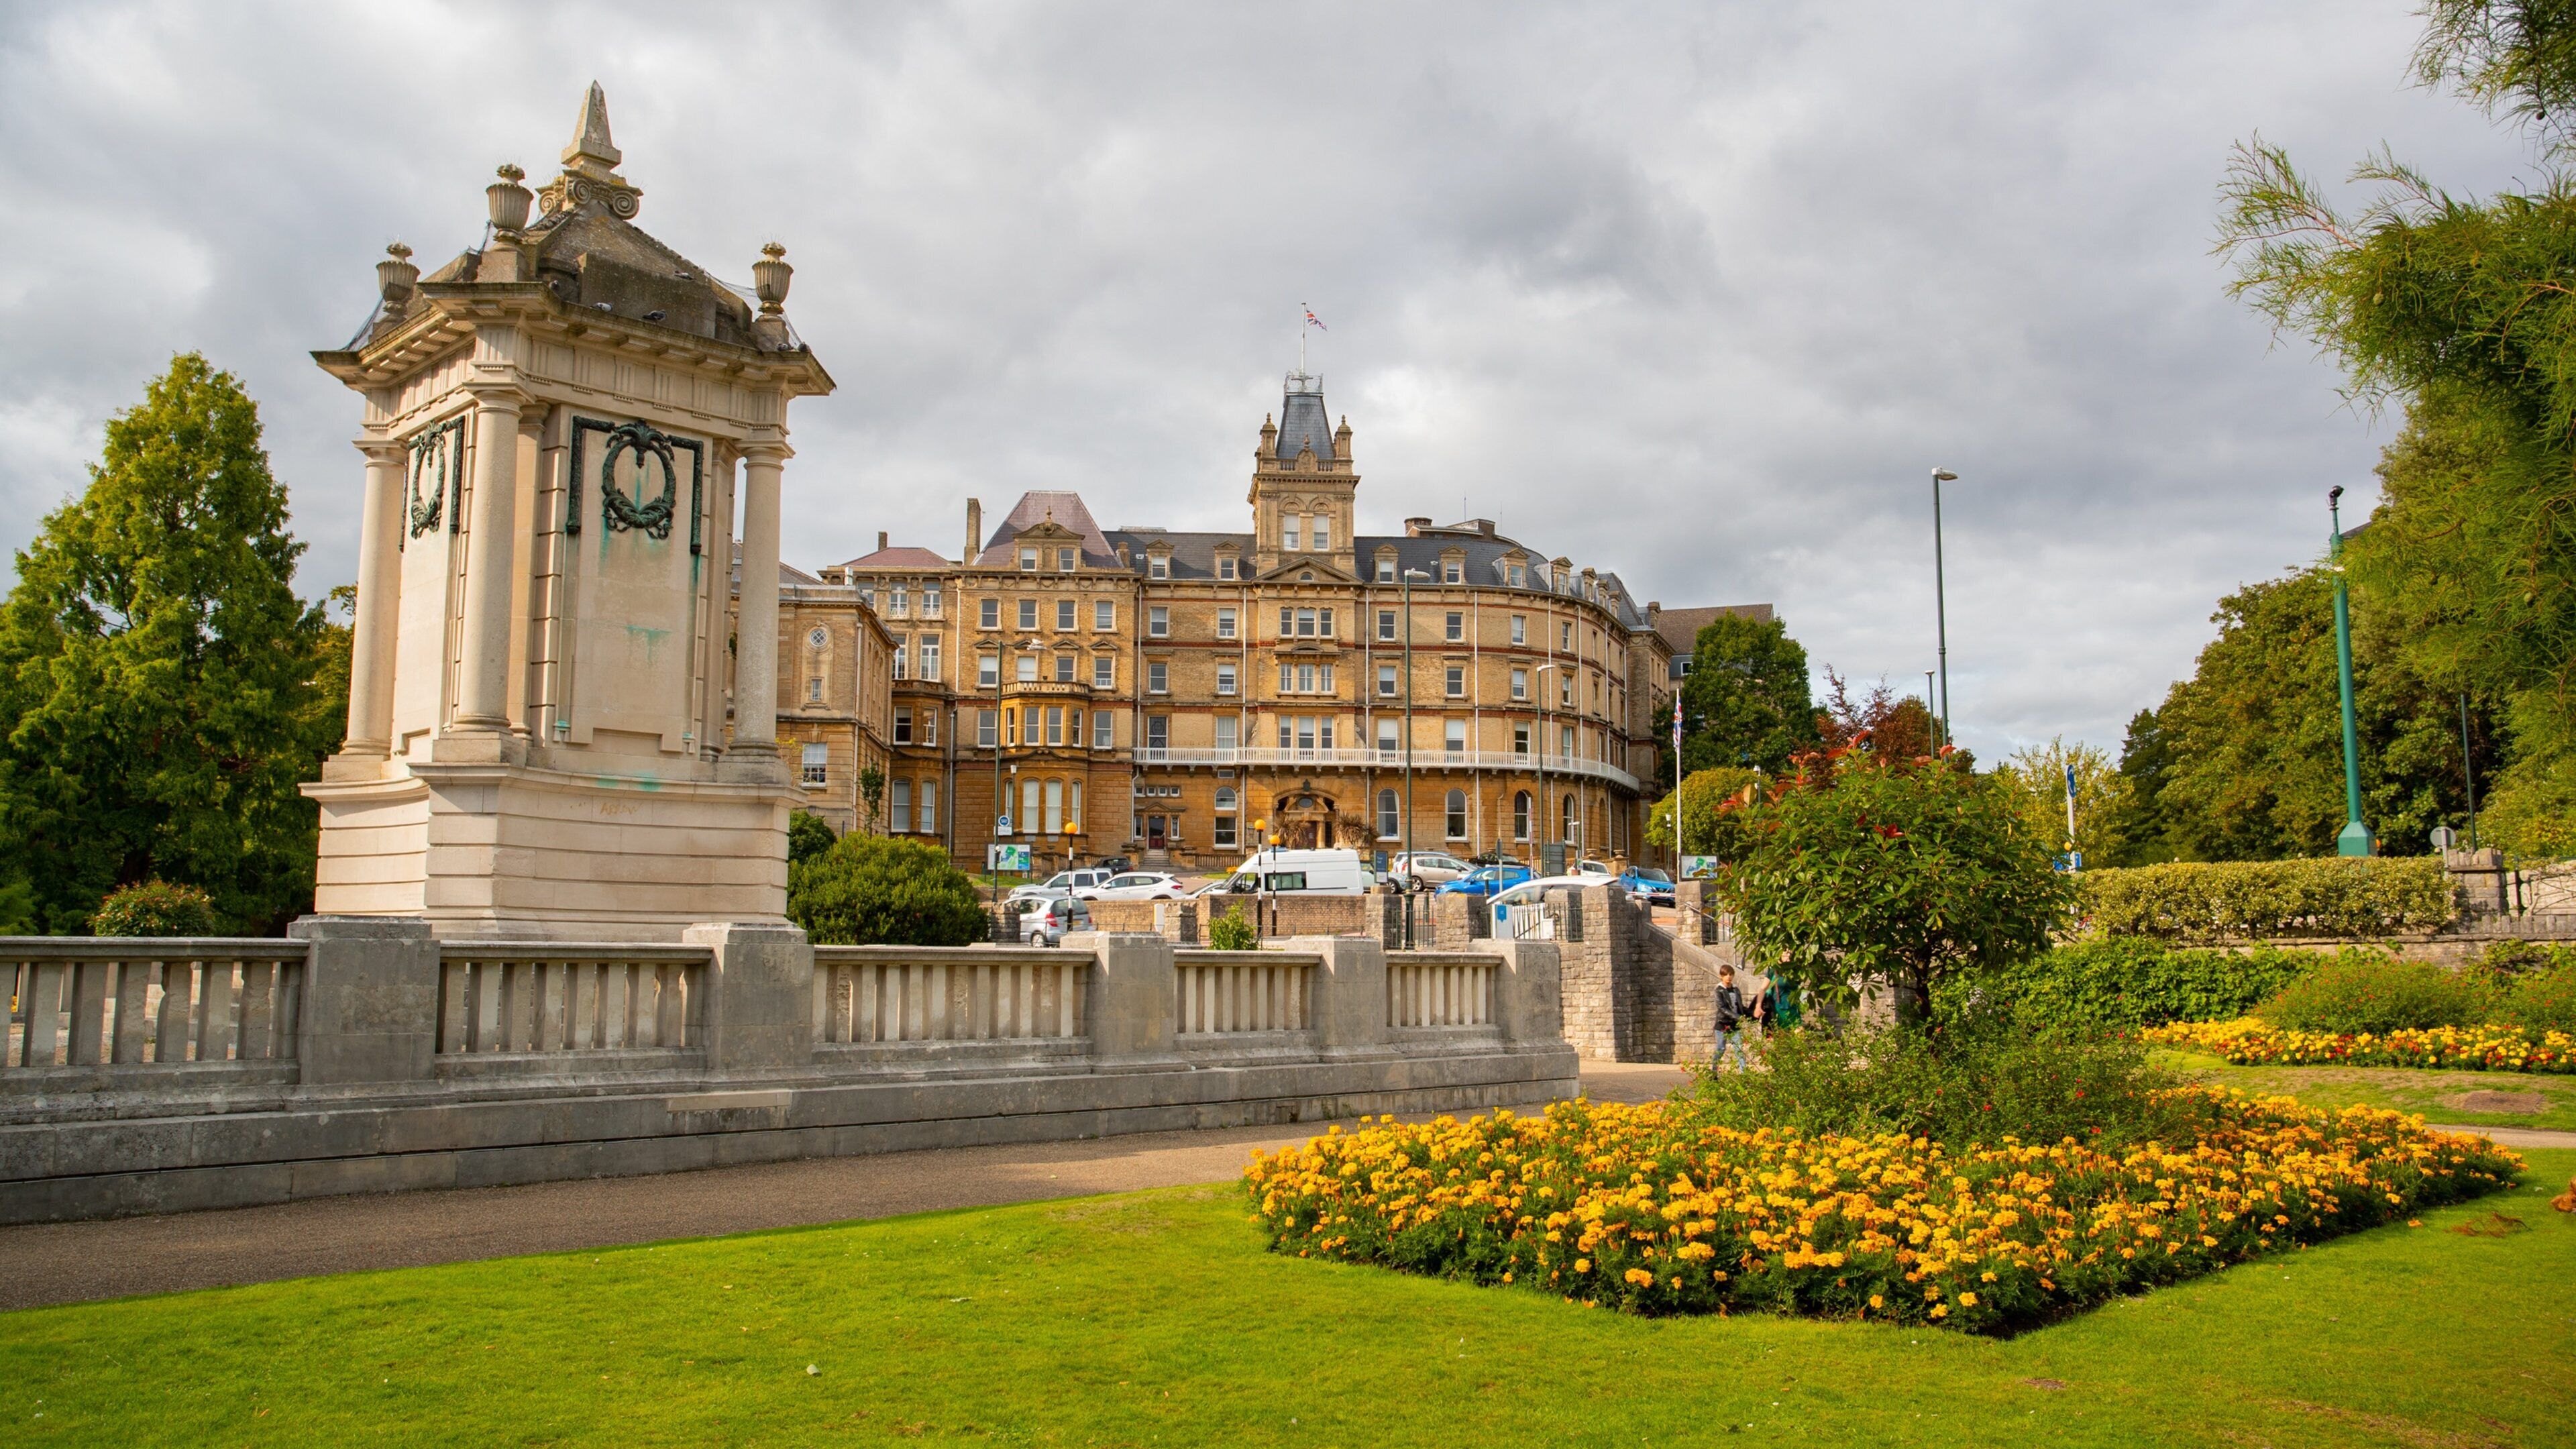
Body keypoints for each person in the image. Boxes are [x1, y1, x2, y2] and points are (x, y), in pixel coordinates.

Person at [1712, 965, 1746, 1071]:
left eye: (1731, 974)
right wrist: (1737, 1016)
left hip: (1735, 1024)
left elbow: (1740, 1006)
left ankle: (1743, 1074)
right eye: (1726, 975)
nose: (1729, 977)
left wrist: (1751, 1013)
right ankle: (1714, 1072)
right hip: (1723, 1023)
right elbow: (1722, 1008)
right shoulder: (1719, 990)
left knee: (1739, 1048)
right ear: (1721, 976)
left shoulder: (1736, 989)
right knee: (1721, 1049)